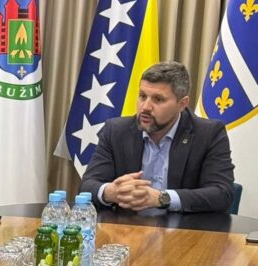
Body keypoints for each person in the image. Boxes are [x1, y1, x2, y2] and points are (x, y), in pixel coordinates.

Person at [79, 61, 235, 214]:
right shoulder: (116, 131)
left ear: (182, 104)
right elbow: (87, 185)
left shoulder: (208, 134)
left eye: (158, 99)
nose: (145, 107)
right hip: (127, 227)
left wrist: (162, 198)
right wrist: (111, 192)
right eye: (142, 96)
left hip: (183, 228)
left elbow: (222, 194)